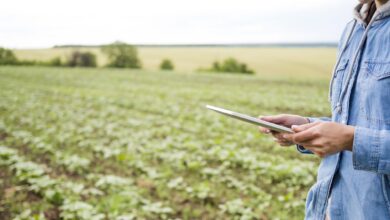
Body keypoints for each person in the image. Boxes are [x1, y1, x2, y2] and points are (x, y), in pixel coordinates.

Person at [259, 0, 390, 219]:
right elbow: (355, 121)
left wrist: (352, 140)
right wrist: (306, 127)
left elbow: (352, 135)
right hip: (332, 208)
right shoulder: (353, 28)